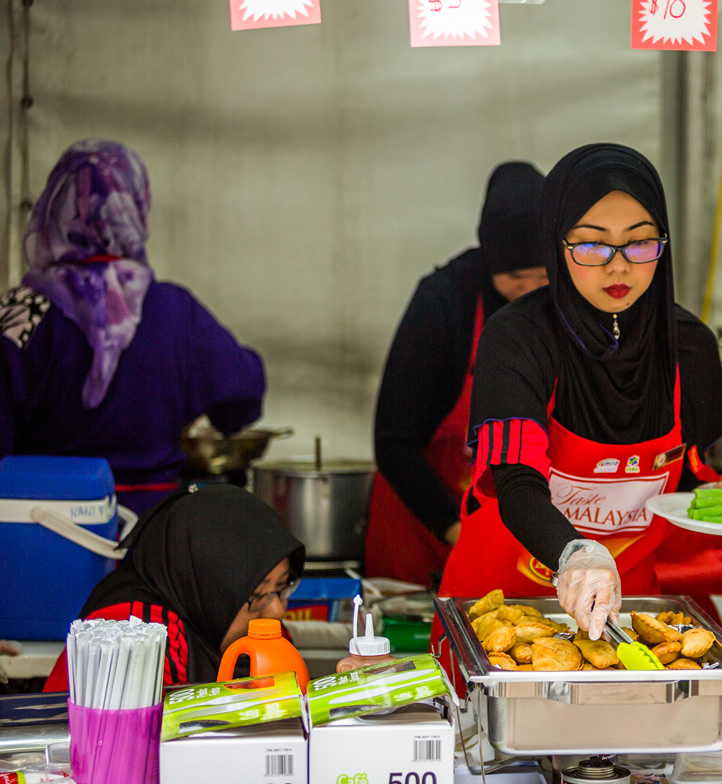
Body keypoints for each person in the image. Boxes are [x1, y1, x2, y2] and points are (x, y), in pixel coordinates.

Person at [436, 143, 722, 638]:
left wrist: (716, 499)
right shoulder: (517, 338)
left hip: (627, 610)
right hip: (500, 606)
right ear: (557, 244)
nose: (619, 267)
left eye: (640, 243)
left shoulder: (690, 347)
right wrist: (577, 552)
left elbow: (688, 470)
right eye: (592, 245)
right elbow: (517, 483)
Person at [0, 140, 265, 516]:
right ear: (137, 209)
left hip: (41, 540)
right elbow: (242, 398)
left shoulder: (21, 315)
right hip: (147, 543)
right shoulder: (175, 311)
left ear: (53, 209)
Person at [364, 162, 547, 587]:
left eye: (544, 277)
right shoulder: (442, 301)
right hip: (420, 521)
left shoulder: (558, 305)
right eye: (517, 277)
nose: (532, 291)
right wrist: (454, 529)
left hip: (508, 529)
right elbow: (392, 442)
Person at [43, 485, 304, 690]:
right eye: (257, 594)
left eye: (282, 588)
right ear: (209, 585)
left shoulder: (257, 626)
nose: (277, 611)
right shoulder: (135, 635)